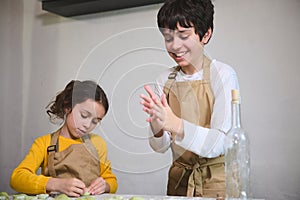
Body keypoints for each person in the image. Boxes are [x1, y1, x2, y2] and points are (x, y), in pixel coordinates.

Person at [140, 0, 239, 198]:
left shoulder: (223, 75)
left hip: (217, 183)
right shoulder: (164, 80)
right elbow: (160, 147)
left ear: (206, 34)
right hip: (179, 182)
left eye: (183, 36)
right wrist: (158, 128)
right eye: (168, 38)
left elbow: (219, 143)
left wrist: (174, 123)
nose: (175, 46)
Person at [10, 80, 118, 197]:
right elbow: (17, 178)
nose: (87, 125)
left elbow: (111, 180)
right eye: (84, 115)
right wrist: (55, 184)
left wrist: (105, 185)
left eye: (95, 121)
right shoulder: (44, 143)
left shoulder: (97, 143)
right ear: (68, 107)